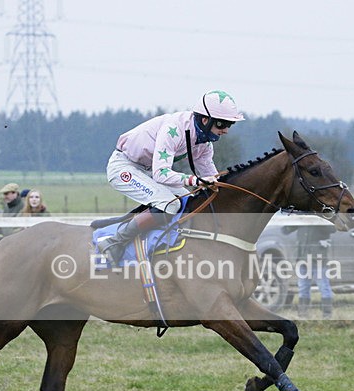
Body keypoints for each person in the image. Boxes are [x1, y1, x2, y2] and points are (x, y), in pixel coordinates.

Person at [96, 90, 245, 265]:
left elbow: (210, 179)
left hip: (148, 170)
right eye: (222, 124)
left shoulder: (204, 144)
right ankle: (114, 242)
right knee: (170, 204)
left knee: (191, 201)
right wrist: (193, 181)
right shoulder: (174, 129)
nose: (225, 130)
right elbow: (161, 173)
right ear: (205, 120)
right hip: (124, 167)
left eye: (229, 125)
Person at [286, 224, 334, 318]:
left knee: (323, 286)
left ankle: (327, 315)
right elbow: (286, 230)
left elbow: (333, 229)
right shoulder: (302, 216)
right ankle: (303, 314)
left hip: (318, 257)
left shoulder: (322, 215)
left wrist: (317, 219)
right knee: (303, 287)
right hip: (302, 257)